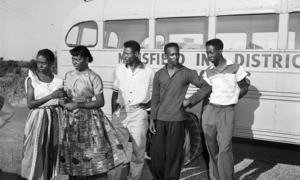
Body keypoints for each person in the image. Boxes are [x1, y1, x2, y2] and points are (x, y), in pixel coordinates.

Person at [59, 45, 127, 180]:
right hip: (71, 119)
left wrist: (77, 104)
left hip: (89, 119)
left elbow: (100, 102)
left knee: (92, 152)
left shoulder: (93, 77)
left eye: (78, 59)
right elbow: (66, 95)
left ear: (87, 59)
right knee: (73, 151)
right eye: (73, 59)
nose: (74, 62)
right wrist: (63, 100)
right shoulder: (69, 75)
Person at [149, 42, 212, 180]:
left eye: (177, 54)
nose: (176, 57)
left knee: (174, 155)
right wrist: (152, 118)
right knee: (157, 155)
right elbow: (155, 97)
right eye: (172, 54)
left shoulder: (187, 73)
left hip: (177, 119)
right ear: (165, 56)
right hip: (160, 119)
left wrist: (190, 100)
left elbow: (206, 86)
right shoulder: (159, 74)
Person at [202, 39, 249, 180]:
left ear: (220, 51)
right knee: (211, 148)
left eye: (211, 52)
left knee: (224, 149)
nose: (209, 55)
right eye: (207, 52)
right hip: (210, 111)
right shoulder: (208, 71)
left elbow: (244, 87)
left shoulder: (235, 67)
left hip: (227, 112)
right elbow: (207, 91)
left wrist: (233, 99)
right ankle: (215, 177)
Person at [107, 40, 155, 180]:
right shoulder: (119, 69)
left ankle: (133, 178)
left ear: (136, 54)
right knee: (116, 150)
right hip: (120, 113)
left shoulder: (149, 72)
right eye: (123, 53)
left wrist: (148, 105)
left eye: (127, 53)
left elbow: (157, 92)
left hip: (138, 114)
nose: (124, 56)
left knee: (138, 150)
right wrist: (113, 115)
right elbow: (115, 92)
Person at [21, 49, 65, 180]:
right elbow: (30, 104)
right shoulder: (32, 79)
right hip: (38, 118)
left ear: (52, 63)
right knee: (35, 150)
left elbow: (62, 101)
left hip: (56, 118)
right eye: (38, 62)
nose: (39, 66)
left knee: (52, 151)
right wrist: (51, 96)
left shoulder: (59, 80)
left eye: (43, 63)